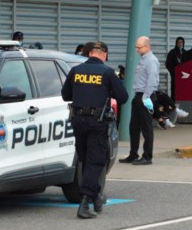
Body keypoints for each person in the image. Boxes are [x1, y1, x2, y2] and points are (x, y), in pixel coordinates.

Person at [61, 41, 129, 219]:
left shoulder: (76, 71)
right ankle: (85, 203)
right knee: (96, 161)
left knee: (85, 160)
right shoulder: (107, 72)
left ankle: (96, 197)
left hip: (78, 121)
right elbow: (123, 97)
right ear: (104, 54)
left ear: (89, 53)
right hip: (97, 123)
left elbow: (65, 95)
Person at [121, 35, 159, 165]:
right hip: (138, 96)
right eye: (136, 47)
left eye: (139, 47)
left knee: (146, 128)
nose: (137, 50)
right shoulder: (143, 59)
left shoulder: (151, 60)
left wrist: (145, 97)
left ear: (147, 47)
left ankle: (147, 156)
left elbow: (152, 81)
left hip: (145, 96)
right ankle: (133, 154)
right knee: (134, 127)